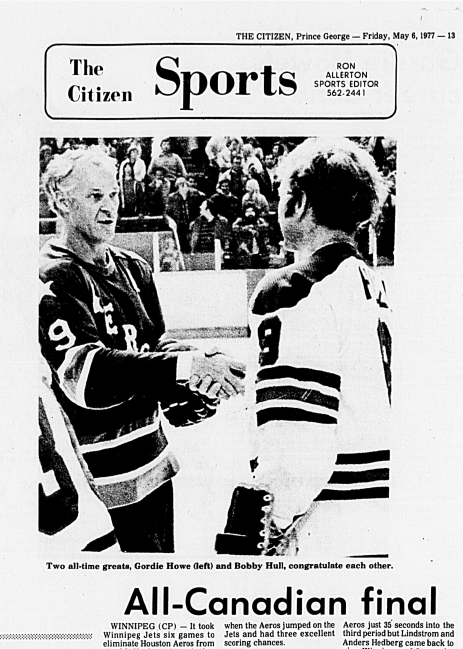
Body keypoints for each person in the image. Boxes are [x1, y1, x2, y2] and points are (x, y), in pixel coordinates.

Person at [38, 147, 242, 552]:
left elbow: (155, 343)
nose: (110, 206)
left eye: (113, 195)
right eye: (96, 196)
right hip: (95, 480)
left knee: (154, 587)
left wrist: (202, 371)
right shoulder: (53, 276)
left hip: (153, 462)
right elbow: (88, 376)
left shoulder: (134, 267)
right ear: (61, 200)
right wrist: (183, 366)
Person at [241, 138, 392, 555]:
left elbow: (295, 444)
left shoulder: (293, 289)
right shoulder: (374, 286)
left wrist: (271, 518)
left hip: (329, 524)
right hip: (384, 515)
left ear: (299, 200)